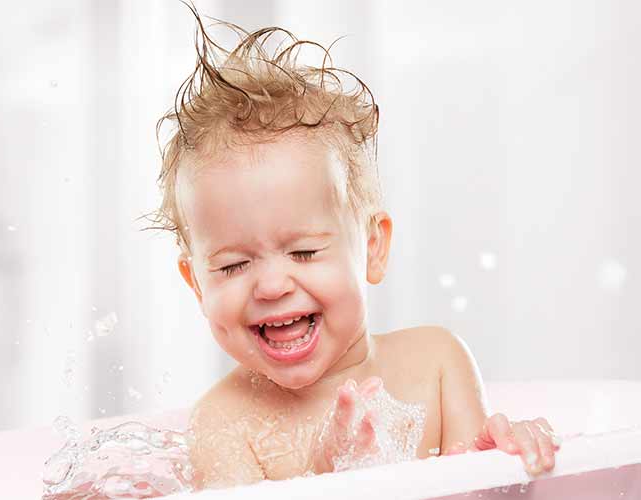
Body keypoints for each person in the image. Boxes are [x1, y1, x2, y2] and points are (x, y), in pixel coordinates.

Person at [142, 3, 561, 490]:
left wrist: (502, 464)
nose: (273, 284)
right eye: (233, 266)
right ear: (197, 284)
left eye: (303, 253)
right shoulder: (224, 425)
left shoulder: (437, 364)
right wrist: (328, 477)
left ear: (373, 246)